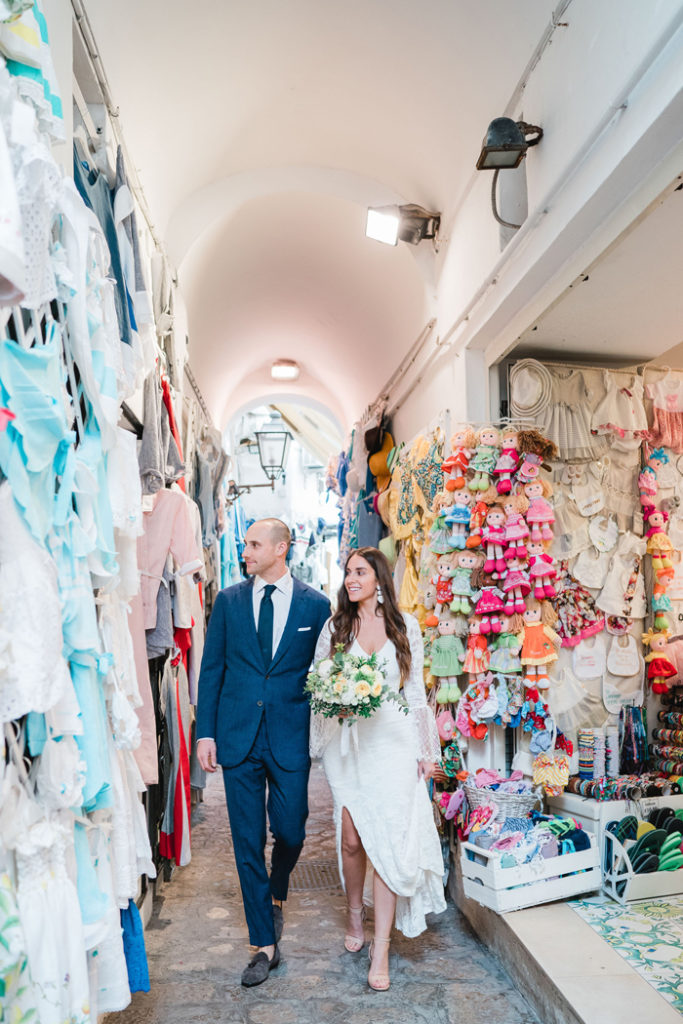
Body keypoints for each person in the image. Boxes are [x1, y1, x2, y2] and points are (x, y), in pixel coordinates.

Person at [196, 518, 330, 987]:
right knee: (246, 840)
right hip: (237, 737)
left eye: (254, 544)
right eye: (247, 543)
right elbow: (212, 669)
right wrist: (205, 733)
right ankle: (263, 944)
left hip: (290, 736)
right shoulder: (229, 601)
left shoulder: (317, 605)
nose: (245, 550)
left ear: (281, 548)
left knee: (291, 830)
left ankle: (278, 886)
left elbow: (325, 670)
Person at [310, 546, 446, 991]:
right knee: (351, 838)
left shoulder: (404, 628)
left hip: (393, 744)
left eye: (360, 572)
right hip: (349, 745)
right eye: (348, 572)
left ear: (379, 579)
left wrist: (427, 752)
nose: (351, 579)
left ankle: (381, 947)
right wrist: (337, 700)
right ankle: (355, 912)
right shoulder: (336, 627)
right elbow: (320, 681)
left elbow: (414, 696)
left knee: (386, 839)